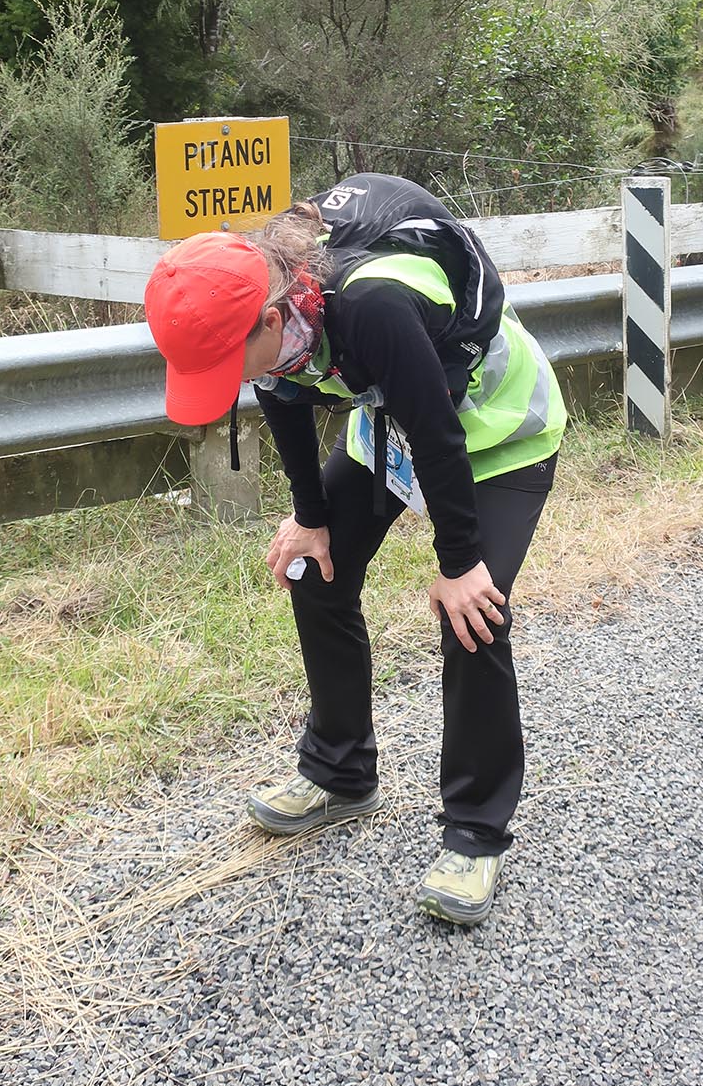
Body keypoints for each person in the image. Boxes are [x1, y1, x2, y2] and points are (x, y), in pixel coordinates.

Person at [144, 177, 566, 925]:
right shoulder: (275, 317)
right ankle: (341, 773)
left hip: (498, 433)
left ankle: (475, 832)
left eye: (229, 362)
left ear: (272, 317)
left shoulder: (372, 306)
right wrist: (310, 519)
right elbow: (283, 394)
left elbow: (439, 436)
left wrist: (458, 563)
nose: (230, 380)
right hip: (397, 426)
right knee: (313, 568)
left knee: (472, 615)